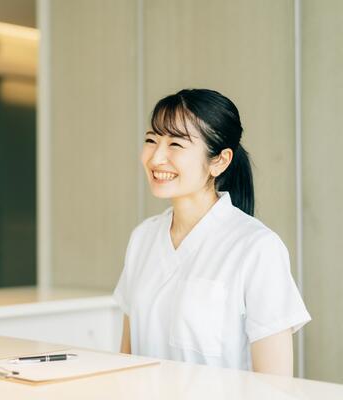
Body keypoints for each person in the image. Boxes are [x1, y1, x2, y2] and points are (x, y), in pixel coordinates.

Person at [113, 89, 311, 375]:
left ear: (219, 160)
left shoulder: (257, 247)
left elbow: (275, 386)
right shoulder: (142, 238)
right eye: (151, 140)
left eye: (176, 144)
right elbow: (127, 361)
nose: (156, 157)